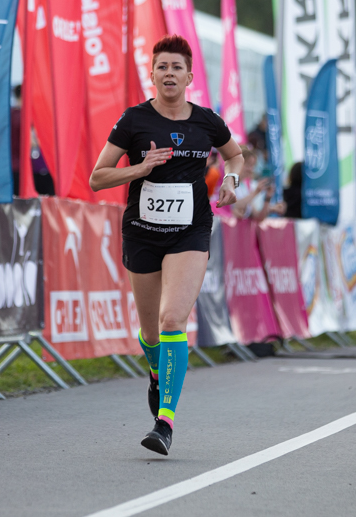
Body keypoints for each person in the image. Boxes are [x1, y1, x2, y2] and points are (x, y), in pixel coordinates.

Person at [90, 34, 243, 456]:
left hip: (189, 231)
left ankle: (165, 422)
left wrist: (230, 181)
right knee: (150, 333)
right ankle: (157, 373)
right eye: (162, 67)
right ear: (153, 75)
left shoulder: (207, 121)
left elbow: (235, 155)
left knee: (172, 319)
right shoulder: (134, 121)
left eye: (177, 67)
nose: (169, 73)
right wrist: (139, 169)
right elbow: (98, 177)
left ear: (189, 77)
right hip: (142, 232)